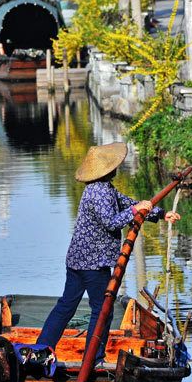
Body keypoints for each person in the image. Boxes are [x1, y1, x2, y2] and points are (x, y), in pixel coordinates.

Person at [37, 142, 181, 364]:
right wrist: (135, 211)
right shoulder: (100, 192)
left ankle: (42, 348)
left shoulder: (101, 188)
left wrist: (160, 214)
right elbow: (111, 222)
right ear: (108, 169)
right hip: (93, 264)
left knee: (67, 305)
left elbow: (129, 203)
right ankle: (94, 358)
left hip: (77, 260)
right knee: (102, 310)